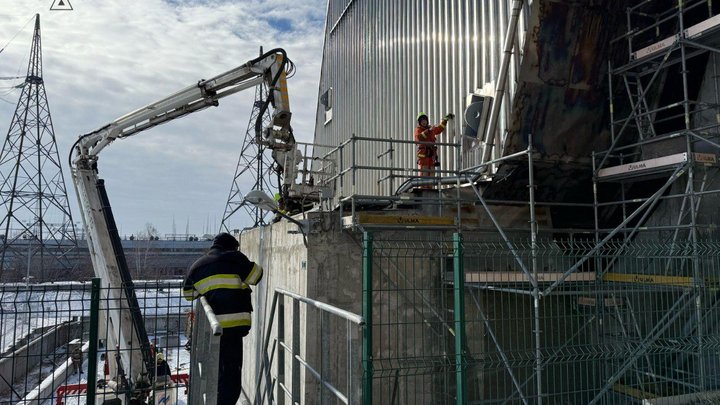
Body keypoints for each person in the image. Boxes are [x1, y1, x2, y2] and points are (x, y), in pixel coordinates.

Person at [182, 232, 264, 405]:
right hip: (234, 328)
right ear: (232, 246)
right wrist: (241, 260)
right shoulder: (235, 258)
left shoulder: (198, 265)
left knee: (215, 373)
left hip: (211, 328)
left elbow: (189, 294)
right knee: (231, 376)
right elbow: (257, 276)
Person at [414, 112, 454, 185]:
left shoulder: (431, 129)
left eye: (425, 120)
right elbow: (418, 138)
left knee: (432, 175)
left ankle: (431, 190)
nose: (424, 122)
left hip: (432, 157)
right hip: (424, 158)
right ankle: (424, 191)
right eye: (422, 121)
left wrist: (445, 120)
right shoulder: (418, 129)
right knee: (424, 176)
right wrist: (428, 131)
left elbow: (439, 129)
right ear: (419, 122)